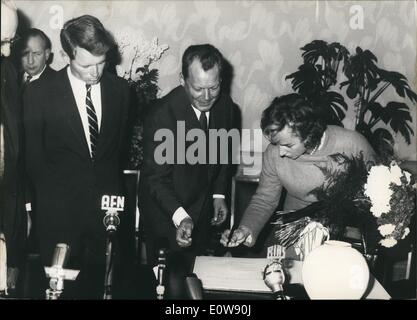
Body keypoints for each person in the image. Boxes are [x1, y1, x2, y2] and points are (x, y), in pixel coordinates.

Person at [23, 15, 129, 299]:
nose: (95, 73)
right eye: (85, 65)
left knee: (104, 291)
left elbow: (117, 152)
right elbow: (33, 160)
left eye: (101, 62)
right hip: (59, 218)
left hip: (107, 217)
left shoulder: (120, 92)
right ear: (65, 55)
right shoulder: (38, 94)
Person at [139, 44, 236, 298]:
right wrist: (181, 216)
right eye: (198, 88)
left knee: (197, 290)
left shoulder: (226, 107)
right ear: (183, 80)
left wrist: (219, 195)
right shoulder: (161, 116)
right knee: (170, 291)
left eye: (213, 87)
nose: (206, 97)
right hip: (167, 216)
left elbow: (223, 154)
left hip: (203, 212)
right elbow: (156, 179)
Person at [221, 93, 375, 250]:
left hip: (343, 234)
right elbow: (265, 199)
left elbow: (379, 190)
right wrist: (246, 229)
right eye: (276, 144)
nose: (280, 152)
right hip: (295, 231)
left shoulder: (353, 144)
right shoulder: (274, 152)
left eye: (288, 145)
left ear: (309, 136)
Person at [0, 0, 26, 295]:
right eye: (2, 41)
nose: (8, 52)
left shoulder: (7, 72)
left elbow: (13, 160)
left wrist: (13, 257)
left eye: (11, 41)